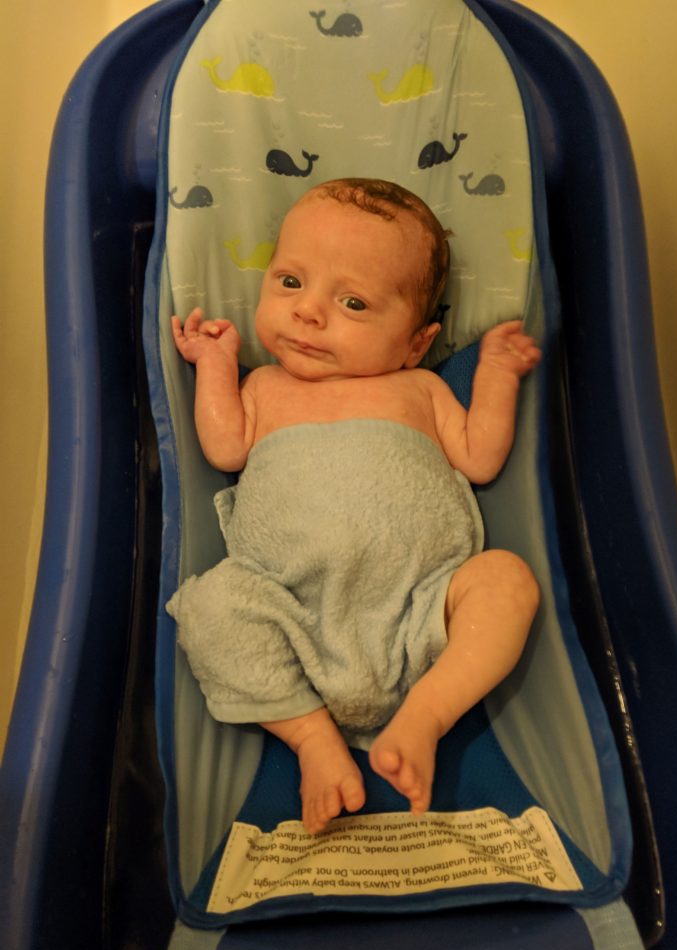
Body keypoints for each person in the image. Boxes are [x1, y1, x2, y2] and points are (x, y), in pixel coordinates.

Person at [168, 177, 541, 835]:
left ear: (416, 343)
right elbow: (225, 447)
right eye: (290, 283)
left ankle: (426, 713)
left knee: (506, 582)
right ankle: (313, 739)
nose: (310, 311)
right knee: (210, 607)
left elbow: (480, 456)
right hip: (286, 609)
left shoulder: (419, 388)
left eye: (353, 301)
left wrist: (496, 377)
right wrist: (215, 363)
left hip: (423, 610)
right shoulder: (264, 385)